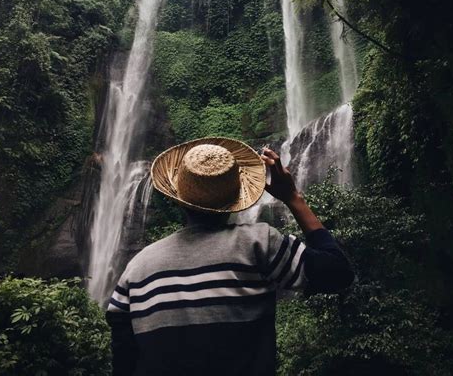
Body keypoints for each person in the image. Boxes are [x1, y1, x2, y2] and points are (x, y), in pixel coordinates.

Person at [106, 137, 354, 376]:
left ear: (178, 198)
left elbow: (124, 363)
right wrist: (293, 198)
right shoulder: (258, 244)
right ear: (237, 197)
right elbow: (338, 272)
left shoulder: (135, 269)